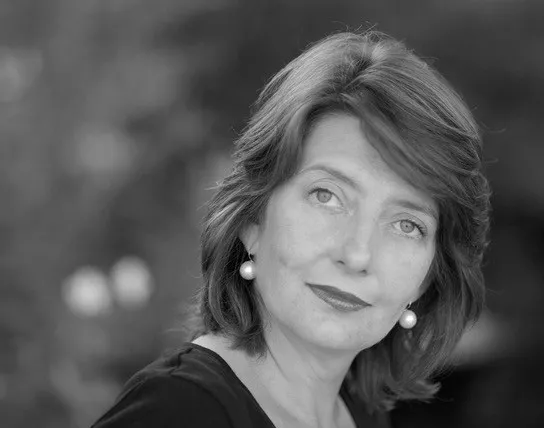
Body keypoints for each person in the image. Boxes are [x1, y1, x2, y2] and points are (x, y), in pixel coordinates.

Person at [92, 30, 491, 428]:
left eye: (407, 225)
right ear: (253, 218)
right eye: (326, 196)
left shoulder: (361, 416)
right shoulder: (175, 413)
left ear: (427, 276)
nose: (356, 255)